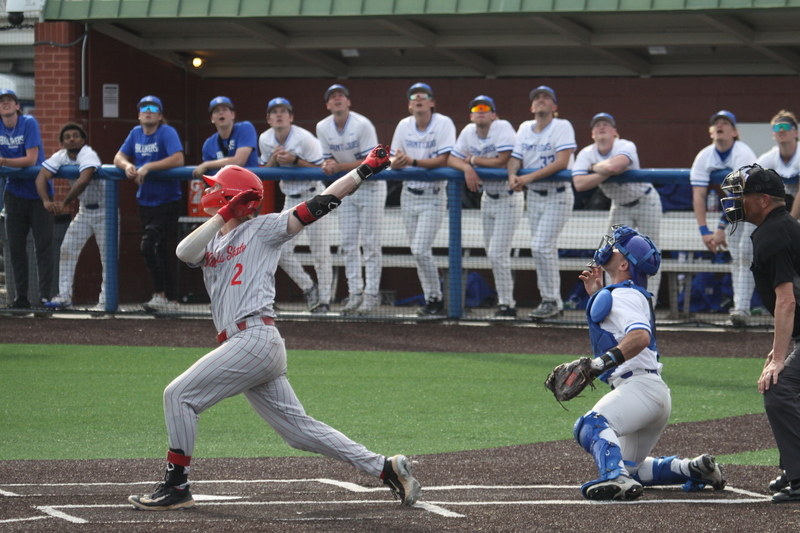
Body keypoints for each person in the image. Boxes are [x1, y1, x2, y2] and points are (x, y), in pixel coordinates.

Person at [128, 148, 422, 511]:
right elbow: (183, 253)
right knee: (298, 432)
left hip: (254, 337)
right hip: (245, 344)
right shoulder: (214, 239)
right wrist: (226, 212)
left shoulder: (263, 228)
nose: (209, 191)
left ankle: (176, 485)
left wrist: (362, 171)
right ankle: (385, 467)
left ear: (232, 195)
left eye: (217, 188)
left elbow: (317, 204)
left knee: (179, 396)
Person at [573, 224, 725, 501]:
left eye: (618, 247)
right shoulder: (623, 293)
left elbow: (640, 337)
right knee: (632, 469)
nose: (610, 246)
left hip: (639, 389)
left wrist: (598, 364)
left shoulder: (622, 295)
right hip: (651, 392)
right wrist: (597, 292)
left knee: (591, 425)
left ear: (624, 265)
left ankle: (614, 478)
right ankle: (691, 469)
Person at [721, 164, 800, 503]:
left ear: (763, 200)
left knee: (777, 388)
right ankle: (794, 467)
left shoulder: (772, 235)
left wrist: (780, 359)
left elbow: (787, 300)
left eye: (744, 195)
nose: (738, 201)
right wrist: (778, 349)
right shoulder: (781, 227)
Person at [573, 113, 663, 302]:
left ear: (615, 132)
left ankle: (648, 304)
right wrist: (607, 170)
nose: (602, 128)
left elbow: (616, 166)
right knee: (610, 254)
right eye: (598, 126)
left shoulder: (625, 145)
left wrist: (595, 168)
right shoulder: (586, 153)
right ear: (592, 134)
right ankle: (613, 300)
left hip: (645, 201)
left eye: (606, 124)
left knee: (649, 254)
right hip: (620, 205)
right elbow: (579, 184)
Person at [508, 85, 576, 320]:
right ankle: (552, 301)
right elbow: (515, 158)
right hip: (534, 197)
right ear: (531, 106)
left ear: (554, 106)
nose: (541, 100)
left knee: (539, 246)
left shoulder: (562, 125)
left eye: (546, 97)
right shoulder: (525, 128)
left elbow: (563, 162)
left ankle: (550, 300)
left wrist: (528, 177)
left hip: (557, 194)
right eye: (537, 98)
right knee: (544, 249)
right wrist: (512, 175)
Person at [448, 95, 519, 317]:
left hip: (509, 197)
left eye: (485, 108)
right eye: (476, 109)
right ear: (471, 116)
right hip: (488, 197)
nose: (480, 111)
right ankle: (504, 303)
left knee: (498, 253)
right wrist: (467, 169)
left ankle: (508, 304)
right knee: (493, 253)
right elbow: (451, 159)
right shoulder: (468, 131)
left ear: (493, 114)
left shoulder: (502, 127)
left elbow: (503, 159)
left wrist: (472, 161)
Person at [316, 84, 384, 316]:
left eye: (341, 96)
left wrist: (338, 167)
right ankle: (355, 293)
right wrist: (327, 166)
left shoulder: (362, 124)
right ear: (327, 104)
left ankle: (371, 295)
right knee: (348, 243)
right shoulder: (322, 126)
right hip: (347, 188)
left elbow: (372, 162)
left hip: (370, 187)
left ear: (348, 102)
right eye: (332, 97)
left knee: (371, 244)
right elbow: (327, 160)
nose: (337, 99)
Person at [113, 95, 185, 313]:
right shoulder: (135, 133)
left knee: (148, 245)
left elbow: (178, 159)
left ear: (160, 115)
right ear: (138, 115)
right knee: (159, 250)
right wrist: (127, 166)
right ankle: (171, 301)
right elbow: (118, 157)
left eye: (153, 108)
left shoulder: (167, 132)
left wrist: (148, 167)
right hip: (145, 201)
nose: (148, 110)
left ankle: (160, 295)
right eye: (144, 107)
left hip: (168, 201)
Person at [390, 82, 456, 316]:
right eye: (414, 96)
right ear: (409, 105)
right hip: (409, 194)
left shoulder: (443, 123)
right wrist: (396, 163)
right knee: (417, 250)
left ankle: (436, 299)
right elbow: (393, 159)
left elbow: (445, 159)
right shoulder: (403, 125)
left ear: (432, 102)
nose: (419, 99)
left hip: (433, 195)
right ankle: (432, 300)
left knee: (419, 249)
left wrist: (413, 162)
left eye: (424, 95)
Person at [259, 97, 330, 313]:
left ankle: (324, 301)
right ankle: (309, 288)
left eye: (283, 111)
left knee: (320, 251)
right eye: (274, 112)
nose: (279, 114)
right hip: (291, 199)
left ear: (291, 117)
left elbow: (322, 169)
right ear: (268, 119)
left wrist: (294, 160)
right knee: (279, 249)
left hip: (314, 195)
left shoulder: (304, 138)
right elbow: (265, 170)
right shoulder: (265, 138)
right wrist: (273, 159)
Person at [690, 110, 757, 327]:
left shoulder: (743, 152)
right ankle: (740, 310)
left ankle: (744, 308)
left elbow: (739, 194)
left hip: (758, 206)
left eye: (725, 123)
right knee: (739, 258)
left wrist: (719, 228)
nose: (720, 125)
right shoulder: (704, 155)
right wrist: (704, 231)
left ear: (735, 131)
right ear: (711, 131)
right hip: (736, 212)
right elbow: (698, 195)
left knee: (748, 257)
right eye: (716, 123)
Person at [34, 123, 107, 310]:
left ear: (83, 140)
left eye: (75, 136)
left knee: (107, 257)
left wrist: (63, 203)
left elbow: (83, 181)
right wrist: (45, 201)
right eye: (67, 137)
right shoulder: (61, 156)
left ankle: (107, 300)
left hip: (105, 212)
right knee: (67, 249)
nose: (71, 139)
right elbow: (41, 177)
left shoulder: (88, 153)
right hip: (84, 211)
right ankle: (64, 295)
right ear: (63, 143)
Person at [0, 88, 50, 311]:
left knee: (43, 248)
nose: (6, 104)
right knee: (16, 249)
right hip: (14, 194)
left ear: (18, 106)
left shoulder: (29, 123)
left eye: (10, 100)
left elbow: (31, 160)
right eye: (2, 102)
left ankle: (44, 299)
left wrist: (3, 162)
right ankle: (21, 299)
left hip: (39, 194)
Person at [193, 96, 259, 179]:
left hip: (248, 187)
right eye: (216, 111)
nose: (221, 113)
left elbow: (239, 161)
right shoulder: (208, 144)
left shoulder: (245, 128)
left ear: (232, 115)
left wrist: (206, 165)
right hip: (223, 189)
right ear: (212, 118)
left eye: (224, 109)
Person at [756, 110, 800, 220]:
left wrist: (790, 223)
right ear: (773, 135)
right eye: (777, 128)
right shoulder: (770, 156)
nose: (781, 130)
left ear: (796, 133)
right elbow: (751, 176)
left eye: (785, 127)